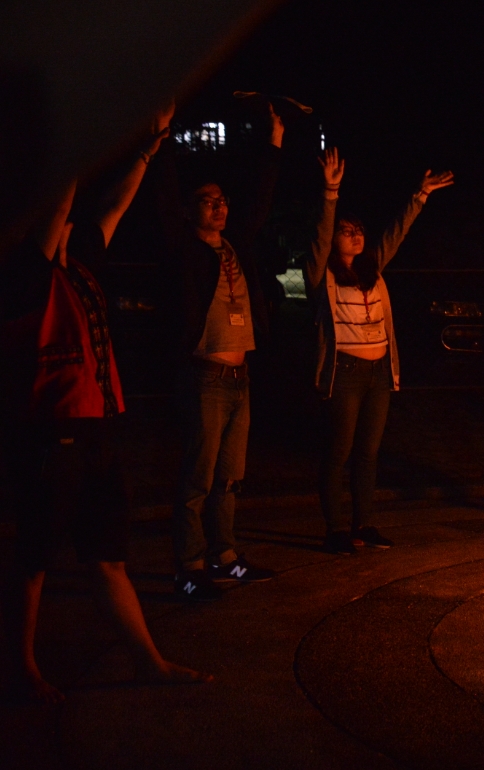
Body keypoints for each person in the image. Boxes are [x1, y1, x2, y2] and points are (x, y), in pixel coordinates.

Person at [1, 112, 211, 704]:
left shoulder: (84, 261)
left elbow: (113, 207)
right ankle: (23, 670)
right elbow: (60, 205)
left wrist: (146, 151)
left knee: (108, 558)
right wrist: (74, 130)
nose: (73, 219)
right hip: (50, 433)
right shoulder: (23, 271)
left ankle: (150, 662)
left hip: (95, 431)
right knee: (34, 561)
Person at [152, 103, 285, 601]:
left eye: (222, 200)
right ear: (190, 210)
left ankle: (224, 558)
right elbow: (164, 196)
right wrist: (162, 139)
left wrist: (273, 139)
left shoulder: (237, 247)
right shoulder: (185, 249)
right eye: (208, 201)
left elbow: (259, 202)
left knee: (230, 477)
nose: (219, 206)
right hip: (205, 376)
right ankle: (188, 566)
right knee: (198, 479)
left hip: (239, 378)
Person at [309, 148, 453, 554]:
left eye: (358, 230)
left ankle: (363, 524)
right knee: (340, 450)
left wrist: (419, 196)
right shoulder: (323, 274)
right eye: (346, 230)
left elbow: (396, 233)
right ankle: (335, 528)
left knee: (369, 453)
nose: (355, 235)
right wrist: (331, 192)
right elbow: (320, 236)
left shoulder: (372, 268)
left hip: (377, 373)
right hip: (346, 371)